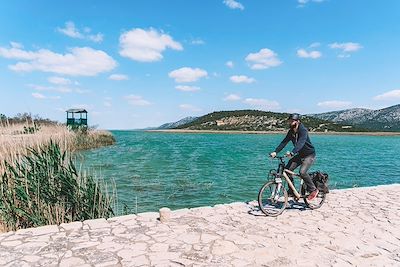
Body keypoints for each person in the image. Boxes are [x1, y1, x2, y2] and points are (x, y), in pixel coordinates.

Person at [270, 113, 319, 201]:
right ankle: (292, 191)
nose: (291, 122)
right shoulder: (291, 131)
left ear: (298, 121)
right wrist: (275, 152)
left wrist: (292, 152)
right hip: (300, 155)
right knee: (287, 170)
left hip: (309, 155)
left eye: (292, 121)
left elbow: (301, 142)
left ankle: (313, 190)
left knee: (302, 172)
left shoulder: (303, 130)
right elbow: (284, 142)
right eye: (290, 121)